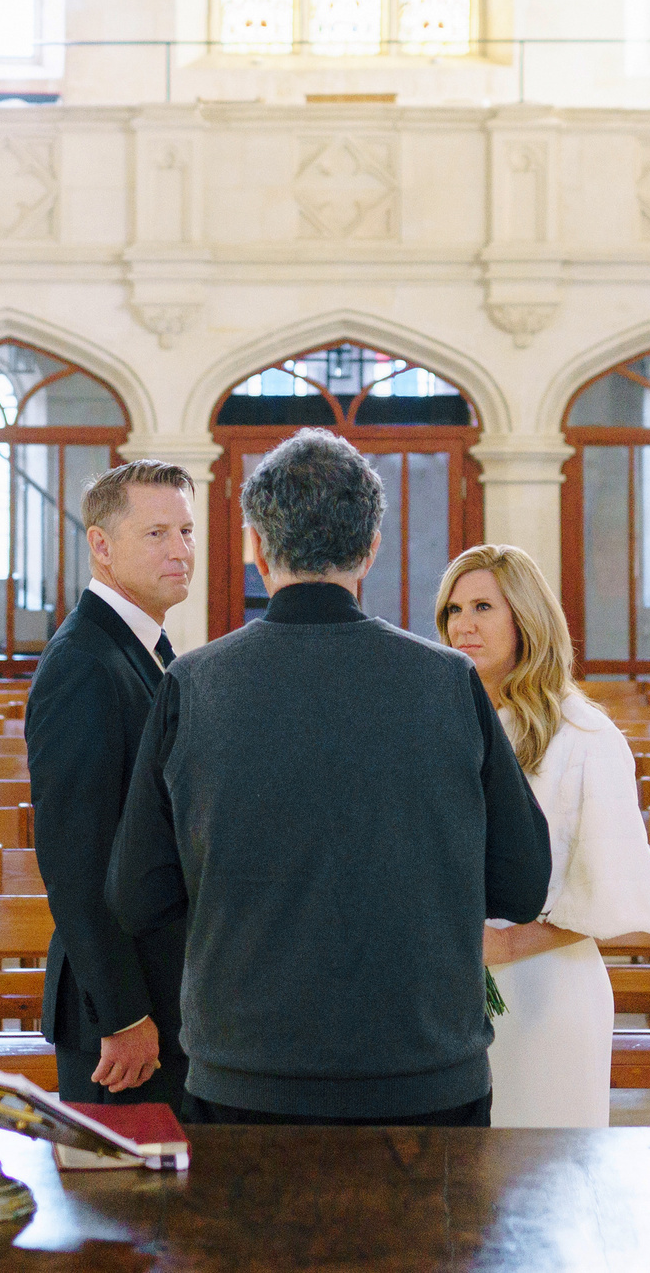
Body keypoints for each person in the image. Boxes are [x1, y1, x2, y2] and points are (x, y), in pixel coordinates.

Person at [108, 428, 551, 1126]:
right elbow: (523, 884)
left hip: (247, 1074)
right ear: (370, 549)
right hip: (424, 1075)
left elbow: (137, 895)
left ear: (257, 548)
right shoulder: (447, 681)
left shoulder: (193, 684)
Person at [435, 544, 650, 1128]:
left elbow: (611, 893)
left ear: (527, 617)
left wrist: (508, 946)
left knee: (546, 1166)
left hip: (547, 991)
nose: (463, 625)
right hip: (445, 993)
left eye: (483, 607)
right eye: (453, 610)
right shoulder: (437, 724)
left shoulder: (585, 734)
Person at [24, 459, 198, 1110]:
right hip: (123, 1015)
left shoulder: (142, 647)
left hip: (163, 990)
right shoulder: (84, 663)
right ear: (101, 545)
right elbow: (76, 859)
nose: (180, 550)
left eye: (185, 531)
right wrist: (123, 1014)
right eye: (156, 534)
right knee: (122, 1177)